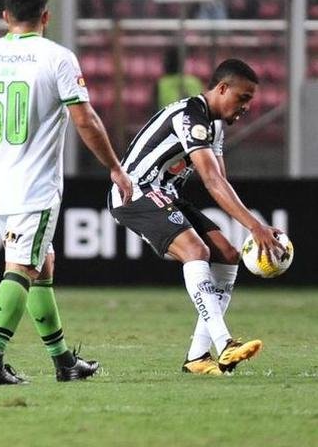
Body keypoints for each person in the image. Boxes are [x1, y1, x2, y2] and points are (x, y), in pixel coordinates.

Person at [0, 0, 134, 384]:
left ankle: (64, 362)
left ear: (5, 16)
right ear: (45, 17)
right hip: (34, 188)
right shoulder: (57, 58)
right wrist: (115, 167)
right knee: (21, 267)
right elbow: (85, 119)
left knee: (42, 263)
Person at [110, 59, 284, 375]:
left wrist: (248, 224)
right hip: (135, 192)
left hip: (167, 195)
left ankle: (197, 358)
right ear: (222, 88)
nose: (246, 107)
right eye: (242, 98)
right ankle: (225, 344)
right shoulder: (191, 116)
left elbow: (220, 179)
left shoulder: (214, 125)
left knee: (228, 256)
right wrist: (254, 225)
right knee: (196, 251)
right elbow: (211, 179)